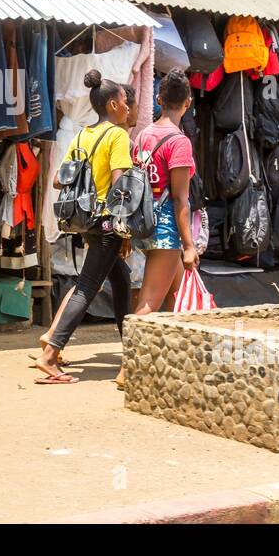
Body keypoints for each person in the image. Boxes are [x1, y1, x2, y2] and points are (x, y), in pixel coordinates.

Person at [35, 70, 132, 385]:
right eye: (125, 101)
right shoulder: (118, 136)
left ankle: (130, 347)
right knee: (87, 287)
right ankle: (50, 353)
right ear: (114, 105)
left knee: (121, 276)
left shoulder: (81, 135)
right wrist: (125, 228)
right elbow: (121, 187)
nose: (129, 107)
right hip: (106, 223)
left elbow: (57, 179)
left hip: (86, 221)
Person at [115, 69, 199, 387]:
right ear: (188, 103)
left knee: (178, 297)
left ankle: (179, 364)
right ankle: (128, 369)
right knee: (149, 303)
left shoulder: (144, 135)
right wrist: (189, 244)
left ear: (159, 100)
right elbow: (180, 200)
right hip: (166, 230)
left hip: (144, 224)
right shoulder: (179, 143)